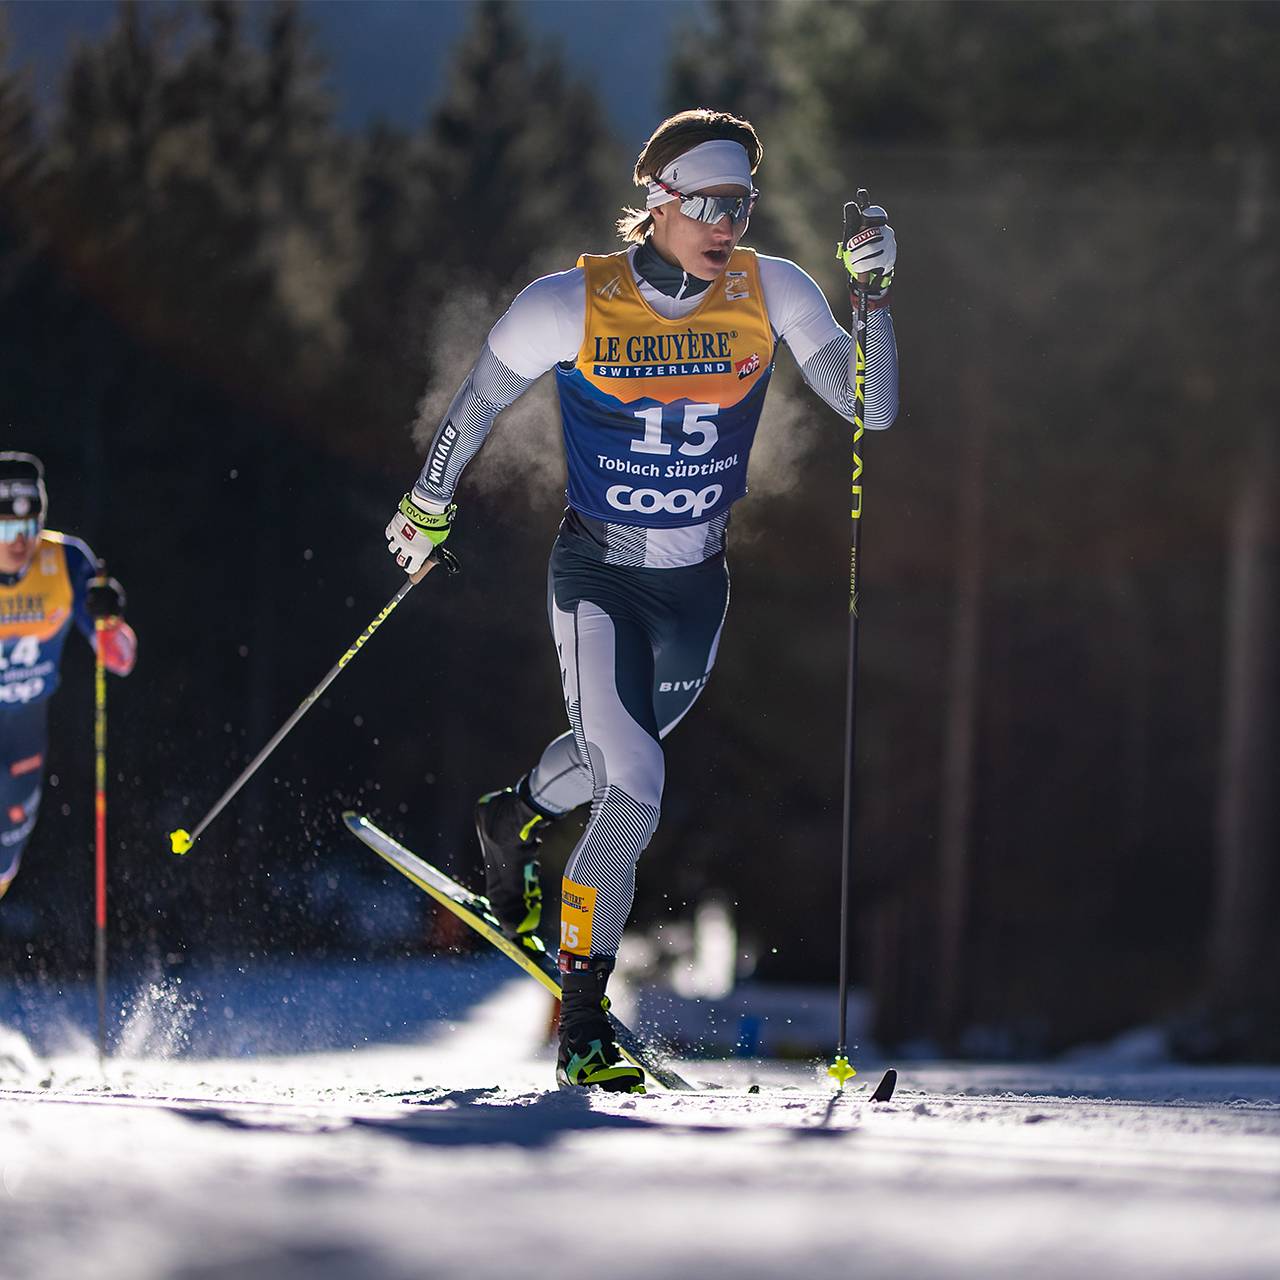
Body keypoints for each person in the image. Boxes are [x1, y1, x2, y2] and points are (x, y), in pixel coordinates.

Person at [385, 109, 899, 1091]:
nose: (728, 225)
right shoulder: (569, 304)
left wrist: (871, 294)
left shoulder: (772, 290)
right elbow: (480, 398)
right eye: (709, 204)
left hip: (696, 588)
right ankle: (583, 1025)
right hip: (599, 578)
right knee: (634, 785)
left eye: (741, 205)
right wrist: (426, 502)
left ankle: (512, 816)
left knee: (609, 753)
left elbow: (869, 407)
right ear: (658, 202)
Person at [0, 452, 136, 901]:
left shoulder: (64, 560)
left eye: (29, 527)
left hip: (24, 735)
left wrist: (109, 619)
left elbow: (119, 659)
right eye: (6, 530)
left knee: (4, 857)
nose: (20, 542)